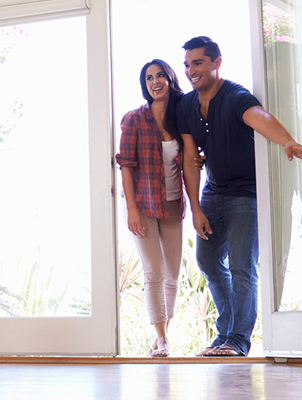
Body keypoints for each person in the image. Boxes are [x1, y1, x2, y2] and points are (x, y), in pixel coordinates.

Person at [175, 36, 302, 357]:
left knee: (242, 267)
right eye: (187, 65)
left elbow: (259, 117)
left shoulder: (234, 95)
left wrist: (288, 141)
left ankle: (237, 341)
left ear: (216, 63)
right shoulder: (186, 105)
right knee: (208, 261)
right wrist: (195, 208)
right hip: (213, 192)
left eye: (198, 62)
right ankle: (225, 333)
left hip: (246, 195)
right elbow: (189, 158)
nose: (191, 70)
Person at [116, 59, 203, 357]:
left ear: (169, 79)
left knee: (172, 274)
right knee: (153, 271)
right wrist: (131, 209)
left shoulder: (181, 118)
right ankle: (162, 337)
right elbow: (125, 166)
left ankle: (161, 334)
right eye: (149, 77)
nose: (155, 81)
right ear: (145, 84)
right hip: (142, 204)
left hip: (172, 204)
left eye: (160, 75)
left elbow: (191, 160)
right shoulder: (133, 119)